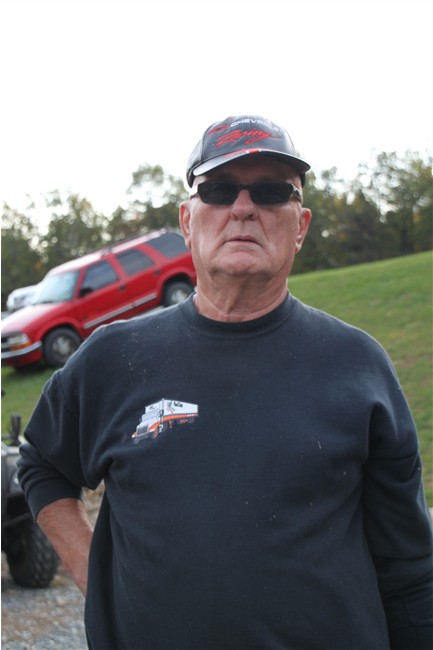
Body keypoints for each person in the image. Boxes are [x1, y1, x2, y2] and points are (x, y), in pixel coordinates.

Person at [18, 115, 432, 650]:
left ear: (300, 226)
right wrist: (96, 576)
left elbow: (410, 567)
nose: (242, 208)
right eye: (218, 190)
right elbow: (42, 464)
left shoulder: (358, 365)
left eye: (271, 191)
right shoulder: (113, 359)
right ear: (187, 222)